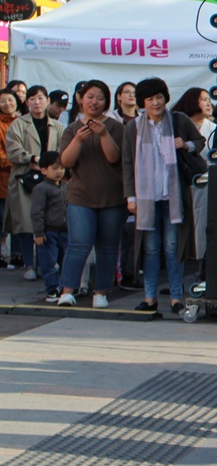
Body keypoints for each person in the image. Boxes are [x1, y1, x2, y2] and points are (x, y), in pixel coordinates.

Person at [122, 79, 205, 315]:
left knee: (172, 247)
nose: (156, 103)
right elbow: (127, 163)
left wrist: (185, 144)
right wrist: (130, 196)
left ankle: (176, 297)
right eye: (150, 99)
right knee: (149, 248)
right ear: (142, 103)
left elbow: (200, 142)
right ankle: (149, 297)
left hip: (173, 196)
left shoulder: (178, 120)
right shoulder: (134, 127)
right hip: (146, 198)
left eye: (159, 97)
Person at [56, 79, 125, 308]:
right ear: (81, 100)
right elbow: (65, 161)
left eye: (100, 98)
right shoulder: (72, 129)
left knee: (107, 247)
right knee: (78, 244)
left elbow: (115, 158)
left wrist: (104, 135)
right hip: (80, 197)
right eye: (90, 97)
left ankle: (101, 292)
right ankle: (67, 291)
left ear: (107, 102)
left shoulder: (115, 127)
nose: (95, 102)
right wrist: (78, 139)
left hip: (111, 198)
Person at [5, 87, 65, 280]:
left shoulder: (57, 126)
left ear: (47, 100)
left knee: (47, 222)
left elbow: (63, 149)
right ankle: (29, 264)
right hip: (24, 177)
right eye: (32, 99)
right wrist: (33, 159)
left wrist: (50, 165)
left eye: (40, 98)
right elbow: (12, 150)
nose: (37, 102)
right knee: (25, 222)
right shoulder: (18, 124)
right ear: (27, 102)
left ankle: (44, 263)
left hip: (51, 179)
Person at [171, 87, 216, 260]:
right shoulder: (177, 124)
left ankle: (199, 258)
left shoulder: (213, 128)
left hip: (205, 182)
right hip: (181, 180)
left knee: (202, 219)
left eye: (209, 99)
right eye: (203, 99)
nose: (208, 103)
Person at [31, 151, 68, 302]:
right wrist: (39, 233)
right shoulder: (41, 189)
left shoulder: (65, 186)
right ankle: (52, 289)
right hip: (48, 231)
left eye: (61, 168)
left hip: (65, 230)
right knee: (48, 262)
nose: (59, 171)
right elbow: (36, 212)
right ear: (44, 170)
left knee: (66, 259)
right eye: (54, 168)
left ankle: (64, 286)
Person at [0, 90, 19, 264]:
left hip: (21, 178)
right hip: (3, 179)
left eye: (10, 100)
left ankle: (17, 254)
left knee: (19, 219)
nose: (7, 104)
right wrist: (17, 161)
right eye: (3, 101)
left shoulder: (22, 121)